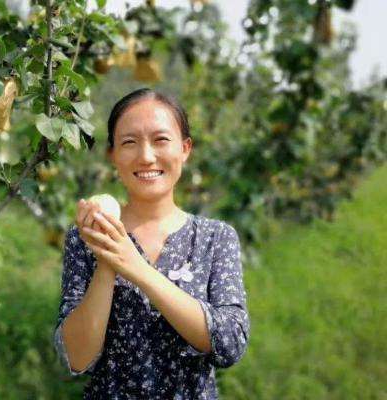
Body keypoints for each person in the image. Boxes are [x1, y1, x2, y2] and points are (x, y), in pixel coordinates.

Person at [53, 88, 250, 399]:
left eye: (160, 140)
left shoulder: (215, 238)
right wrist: (107, 256)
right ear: (112, 155)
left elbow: (229, 344)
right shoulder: (85, 237)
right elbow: (76, 358)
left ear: (185, 148)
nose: (146, 156)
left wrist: (138, 270)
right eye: (129, 142)